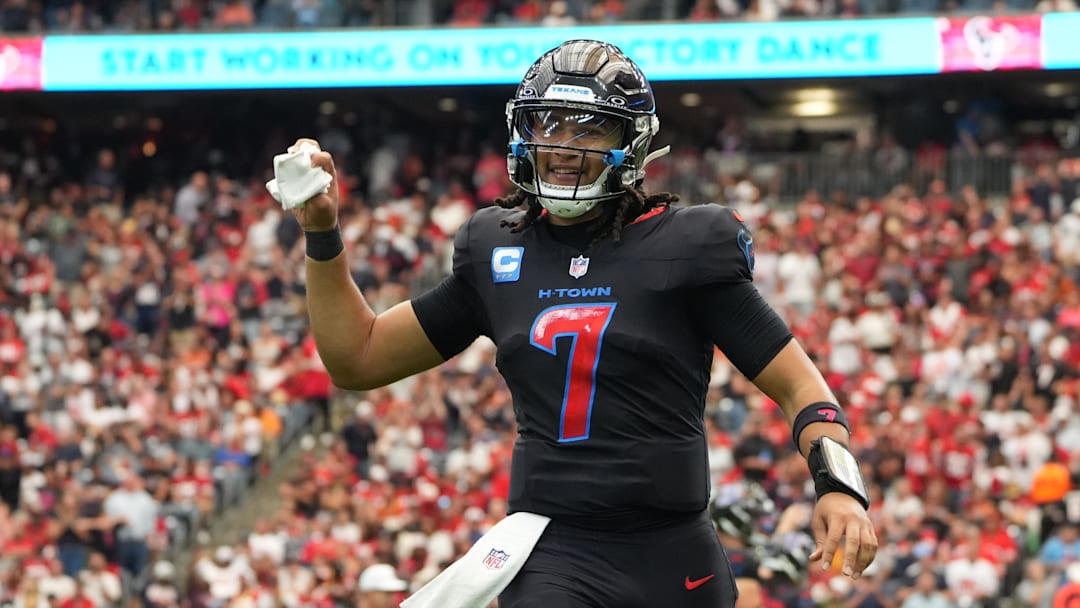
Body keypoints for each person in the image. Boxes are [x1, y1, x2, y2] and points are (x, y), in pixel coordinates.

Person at [281, 39, 877, 607]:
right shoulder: (496, 247)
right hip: (554, 550)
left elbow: (803, 389)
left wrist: (838, 487)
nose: (564, 145)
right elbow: (356, 358)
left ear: (633, 140)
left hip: (674, 552)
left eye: (590, 127)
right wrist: (321, 232)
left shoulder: (689, 244)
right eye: (551, 125)